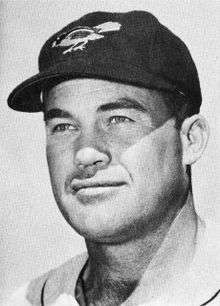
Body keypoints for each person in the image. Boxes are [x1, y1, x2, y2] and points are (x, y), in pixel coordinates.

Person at [5, 10, 219, 306]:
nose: (86, 153)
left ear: (190, 139)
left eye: (118, 119)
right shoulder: (26, 300)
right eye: (64, 126)